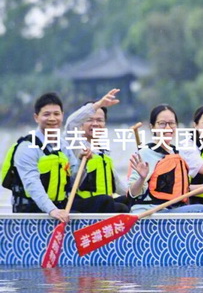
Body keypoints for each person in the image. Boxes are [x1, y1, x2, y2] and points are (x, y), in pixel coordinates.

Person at [2, 93, 119, 223]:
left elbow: (74, 182)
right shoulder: (27, 147)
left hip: (60, 206)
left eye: (56, 114)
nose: (52, 118)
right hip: (33, 210)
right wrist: (52, 210)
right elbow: (32, 184)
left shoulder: (63, 146)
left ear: (62, 116)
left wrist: (82, 161)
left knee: (105, 201)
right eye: (46, 114)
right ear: (36, 117)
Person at [128, 105, 203, 214]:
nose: (168, 128)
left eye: (171, 123)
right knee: (201, 210)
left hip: (170, 210)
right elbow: (132, 193)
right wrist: (142, 179)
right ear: (152, 127)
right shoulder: (144, 153)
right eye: (162, 124)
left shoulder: (177, 153)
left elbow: (185, 189)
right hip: (149, 213)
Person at [64, 88, 130, 212]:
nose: (95, 124)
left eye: (99, 120)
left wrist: (136, 193)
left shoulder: (103, 151)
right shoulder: (74, 142)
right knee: (108, 201)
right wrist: (98, 105)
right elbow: (70, 123)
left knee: (126, 201)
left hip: (102, 203)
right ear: (81, 123)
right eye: (90, 120)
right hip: (79, 202)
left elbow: (117, 184)